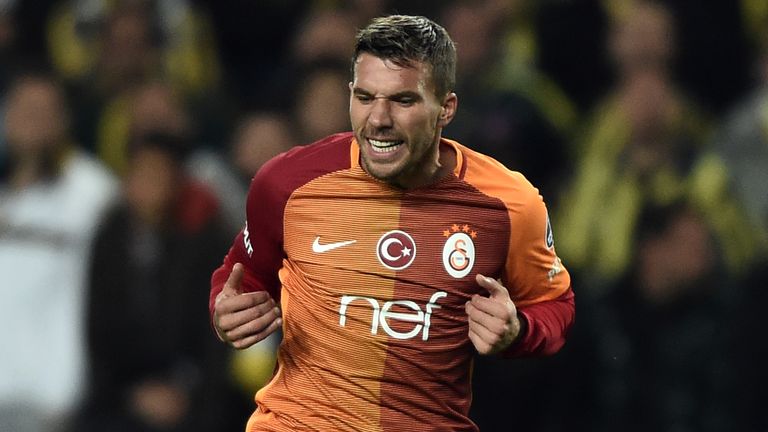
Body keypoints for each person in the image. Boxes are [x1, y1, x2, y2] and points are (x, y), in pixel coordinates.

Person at [209, 15, 574, 431]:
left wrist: (518, 331)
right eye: (365, 97)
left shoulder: (509, 204)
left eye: (403, 101)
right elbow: (243, 273)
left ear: (446, 108)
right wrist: (227, 308)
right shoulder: (286, 183)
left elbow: (555, 304)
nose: (378, 119)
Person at [0, 72, 117, 431]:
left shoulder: (95, 193)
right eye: (24, 108)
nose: (33, 119)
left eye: (45, 110)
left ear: (65, 120)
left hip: (52, 404)